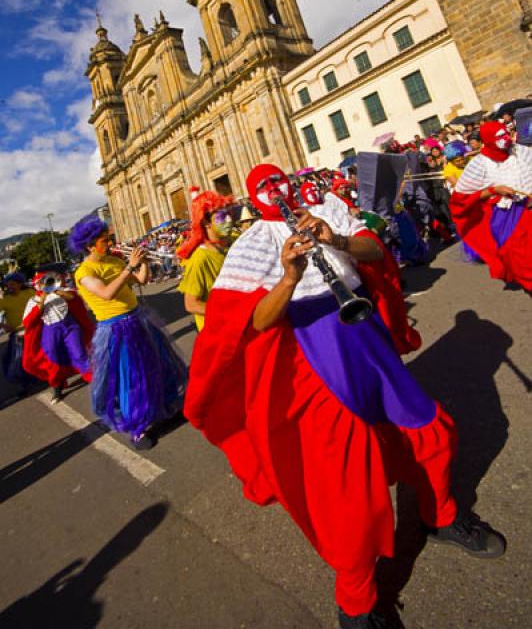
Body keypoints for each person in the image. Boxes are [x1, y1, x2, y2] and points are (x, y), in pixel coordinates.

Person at [184, 163, 505, 629]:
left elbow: (373, 250)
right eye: (266, 189)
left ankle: (442, 515)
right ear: (256, 199)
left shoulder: (327, 209)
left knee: (429, 430)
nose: (278, 192)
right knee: (348, 484)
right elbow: (254, 321)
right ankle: (356, 602)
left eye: (281, 184)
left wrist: (333, 239)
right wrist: (289, 277)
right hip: (315, 356)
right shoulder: (251, 244)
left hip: (365, 337)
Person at [69, 216, 188, 450]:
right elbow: (106, 293)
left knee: (158, 367)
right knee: (131, 378)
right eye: (104, 240)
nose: (110, 243)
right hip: (115, 328)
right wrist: (129, 267)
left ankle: (164, 409)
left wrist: (142, 262)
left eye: (109, 238)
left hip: (138, 320)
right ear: (89, 245)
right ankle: (137, 428)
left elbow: (143, 279)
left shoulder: (114, 260)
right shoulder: (84, 271)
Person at [451, 120, 532, 291]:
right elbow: (462, 198)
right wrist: (495, 190)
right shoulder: (478, 164)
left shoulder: (521, 151)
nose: (506, 138)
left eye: (505, 133)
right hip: (506, 216)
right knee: (518, 256)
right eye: (500, 136)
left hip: (528, 208)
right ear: (488, 139)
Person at [22, 266, 94, 403]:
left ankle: (93, 379)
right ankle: (57, 386)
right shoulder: (33, 300)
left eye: (46, 281)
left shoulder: (62, 291)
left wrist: (55, 290)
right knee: (53, 357)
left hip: (70, 326)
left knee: (79, 353)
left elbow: (73, 297)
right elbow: (28, 321)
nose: (44, 285)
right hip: (50, 329)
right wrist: (43, 298)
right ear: (37, 285)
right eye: (41, 283)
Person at [177, 191, 235, 331]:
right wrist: (231, 314)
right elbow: (191, 304)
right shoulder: (200, 259)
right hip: (217, 331)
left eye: (229, 214)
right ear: (205, 223)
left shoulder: (234, 241)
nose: (229, 220)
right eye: (221, 217)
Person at [0, 272, 36, 397]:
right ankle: (23, 384)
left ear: (20, 284)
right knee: (17, 360)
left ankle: (36, 378)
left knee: (34, 356)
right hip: (18, 334)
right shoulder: (5, 300)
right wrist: (4, 326)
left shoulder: (30, 293)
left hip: (34, 330)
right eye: (8, 285)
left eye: (12, 284)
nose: (10, 287)